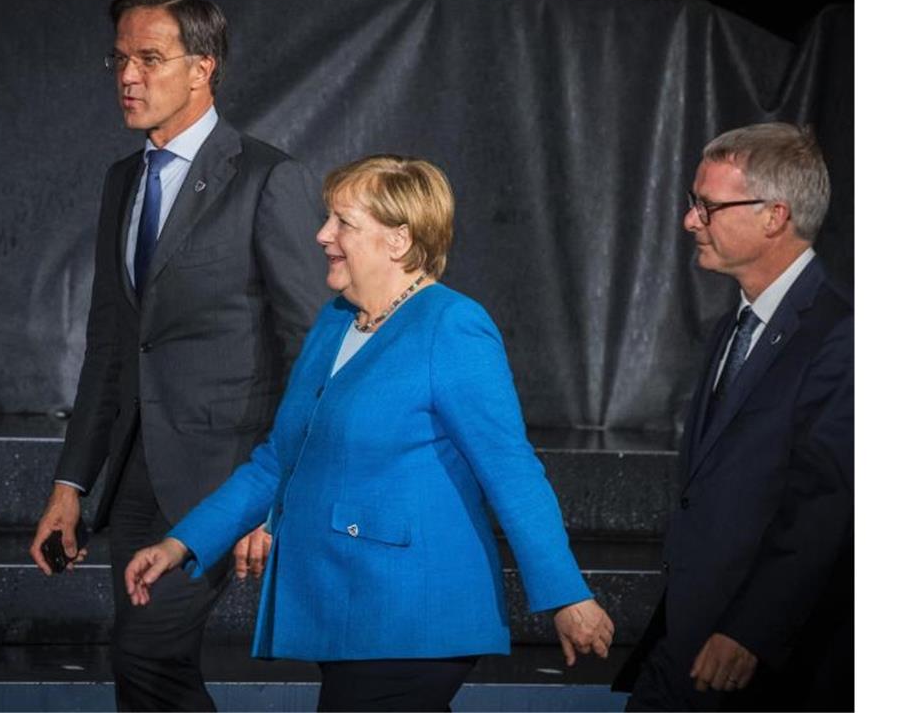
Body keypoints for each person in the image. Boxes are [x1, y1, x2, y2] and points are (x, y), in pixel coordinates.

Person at [123, 154, 615, 712]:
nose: (322, 235)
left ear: (399, 241)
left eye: (343, 223)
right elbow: (279, 459)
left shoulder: (451, 326)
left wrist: (566, 594)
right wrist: (180, 542)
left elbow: (511, 470)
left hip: (411, 616)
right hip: (347, 608)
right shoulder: (336, 320)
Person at [27, 0, 329, 711]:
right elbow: (111, 343)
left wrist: (274, 496)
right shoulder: (121, 182)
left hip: (226, 476)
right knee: (140, 670)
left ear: (203, 67)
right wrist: (71, 486)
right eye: (120, 60)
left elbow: (311, 348)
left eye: (150, 59)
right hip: (134, 479)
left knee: (149, 658)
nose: (128, 77)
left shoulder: (267, 179)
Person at [613, 123, 853, 711]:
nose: (690, 221)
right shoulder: (735, 324)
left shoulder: (841, 334)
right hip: (686, 644)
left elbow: (825, 504)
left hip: (759, 663)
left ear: (775, 216)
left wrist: (751, 629)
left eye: (707, 206)